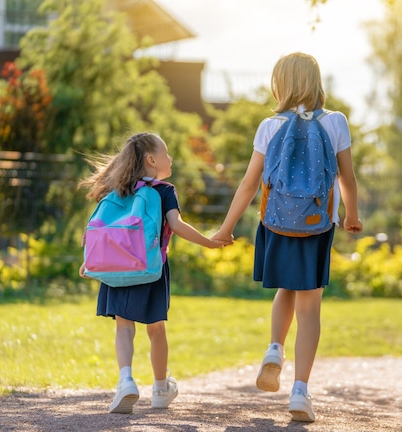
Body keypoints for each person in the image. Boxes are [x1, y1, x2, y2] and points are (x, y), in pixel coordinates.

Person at [212, 52, 363, 422]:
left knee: (285, 291)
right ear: (315, 82)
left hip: (276, 222)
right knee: (310, 306)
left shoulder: (270, 125)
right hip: (317, 223)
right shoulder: (336, 122)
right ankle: (300, 392)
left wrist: (226, 228)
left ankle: (275, 348)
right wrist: (352, 215)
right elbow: (346, 178)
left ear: (280, 84)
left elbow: (249, 184)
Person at [79, 132, 231, 414]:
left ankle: (126, 381)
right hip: (149, 269)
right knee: (156, 329)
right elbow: (177, 224)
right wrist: (210, 242)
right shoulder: (164, 190)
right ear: (151, 159)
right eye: (167, 153)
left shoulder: (120, 188)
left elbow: (105, 229)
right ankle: (160, 388)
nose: (170, 158)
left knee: (124, 327)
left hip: (115, 270)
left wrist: (89, 261)